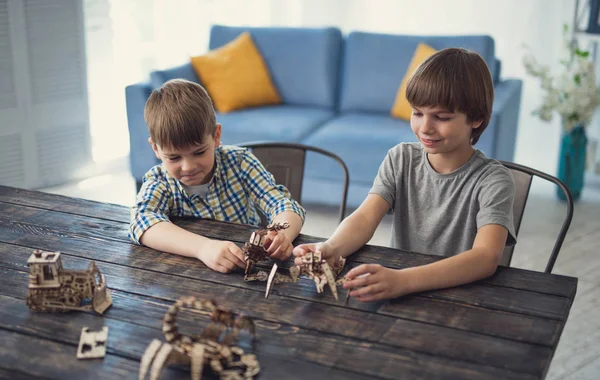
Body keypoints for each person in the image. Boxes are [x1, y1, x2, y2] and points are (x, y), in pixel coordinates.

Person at [293, 48, 516, 302]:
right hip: (399, 290)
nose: (425, 128)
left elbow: (485, 258)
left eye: (441, 117)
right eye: (417, 113)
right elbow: (366, 216)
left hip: (459, 296)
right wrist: (331, 247)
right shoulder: (401, 159)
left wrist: (403, 280)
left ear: (476, 118)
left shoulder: (494, 180)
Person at [129, 79, 305, 273]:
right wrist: (203, 247)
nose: (188, 167)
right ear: (155, 149)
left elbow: (284, 204)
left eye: (199, 152)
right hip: (186, 275)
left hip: (242, 268)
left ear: (216, 136)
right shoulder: (159, 180)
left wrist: (283, 234)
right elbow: (141, 221)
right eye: (174, 157)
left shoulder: (240, 162)